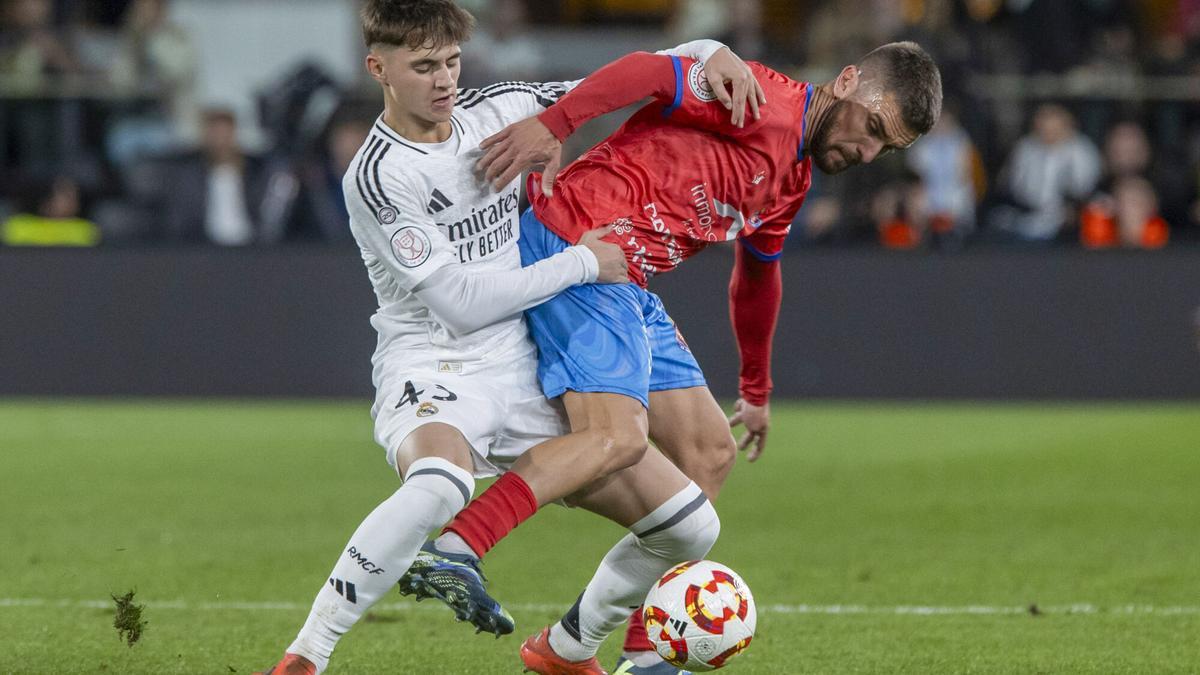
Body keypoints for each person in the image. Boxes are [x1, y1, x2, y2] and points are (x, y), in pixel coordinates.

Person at [253, 1, 763, 673]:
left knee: (691, 526)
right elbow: (459, 305)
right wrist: (582, 260)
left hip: (522, 363)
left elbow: (626, 78)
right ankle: (305, 658)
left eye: (452, 62)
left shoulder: (499, 112)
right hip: (435, 365)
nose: (444, 81)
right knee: (439, 485)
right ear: (378, 68)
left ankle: (568, 649)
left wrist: (708, 52)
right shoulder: (379, 177)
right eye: (424, 66)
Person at [410, 40, 942, 673]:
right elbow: (648, 72)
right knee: (615, 438)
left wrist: (756, 387)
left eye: (887, 147)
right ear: (848, 79)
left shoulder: (792, 177)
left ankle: (600, 650)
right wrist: (554, 126)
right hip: (576, 246)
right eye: (873, 127)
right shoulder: (762, 101)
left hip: (627, 284)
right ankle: (456, 546)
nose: (866, 152)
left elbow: (756, 279)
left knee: (710, 452)